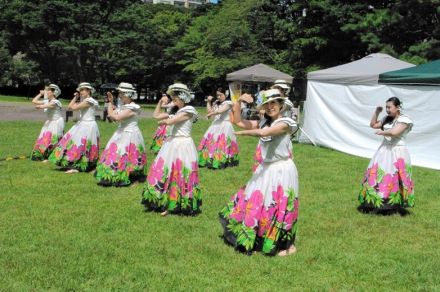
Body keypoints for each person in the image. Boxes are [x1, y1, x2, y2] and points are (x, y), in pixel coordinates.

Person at [219, 89, 299, 256]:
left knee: (278, 204)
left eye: (274, 103)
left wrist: (244, 133)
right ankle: (258, 238)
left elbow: (265, 133)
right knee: (255, 200)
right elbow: (237, 121)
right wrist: (238, 101)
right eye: (267, 104)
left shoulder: (286, 122)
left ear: (281, 104)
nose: (270, 107)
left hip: (282, 169)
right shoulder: (263, 121)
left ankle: (284, 244)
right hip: (266, 168)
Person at [141, 83, 202, 216]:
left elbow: (172, 121)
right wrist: (160, 102)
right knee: (165, 170)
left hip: (182, 144)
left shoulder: (189, 110)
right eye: (172, 97)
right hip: (171, 143)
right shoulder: (175, 110)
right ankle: (163, 200)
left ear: (183, 97)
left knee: (179, 173)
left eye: (175, 96)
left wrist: (166, 120)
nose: (173, 99)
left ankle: (176, 203)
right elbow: (155, 116)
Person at [358, 97, 415, 212]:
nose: (387, 110)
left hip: (398, 152)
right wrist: (377, 112)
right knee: (379, 174)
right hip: (384, 150)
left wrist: (382, 132)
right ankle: (377, 201)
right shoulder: (387, 119)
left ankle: (395, 204)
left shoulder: (405, 120)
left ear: (397, 107)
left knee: (396, 176)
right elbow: (373, 125)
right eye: (386, 107)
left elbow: (394, 132)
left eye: (389, 107)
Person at [95, 82, 147, 186]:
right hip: (121, 132)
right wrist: (110, 102)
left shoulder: (133, 107)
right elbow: (112, 115)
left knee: (126, 155)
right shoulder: (124, 106)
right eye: (119, 93)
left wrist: (112, 113)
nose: (120, 95)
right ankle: (113, 174)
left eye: (121, 93)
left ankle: (130, 176)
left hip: (130, 134)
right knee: (114, 153)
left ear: (128, 94)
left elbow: (117, 117)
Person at [49, 82, 100, 173]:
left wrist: (76, 100)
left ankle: (80, 166)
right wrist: (75, 97)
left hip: (88, 125)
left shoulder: (89, 101)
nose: (81, 92)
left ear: (88, 91)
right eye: (80, 90)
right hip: (82, 124)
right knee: (73, 142)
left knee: (82, 145)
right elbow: (69, 107)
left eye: (83, 90)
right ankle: (75, 164)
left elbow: (73, 108)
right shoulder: (85, 100)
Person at [197, 88, 239, 169]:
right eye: (217, 95)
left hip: (225, 125)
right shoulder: (217, 102)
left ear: (226, 94)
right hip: (216, 124)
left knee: (222, 144)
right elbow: (209, 112)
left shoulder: (228, 103)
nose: (218, 97)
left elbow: (220, 111)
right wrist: (208, 102)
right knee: (211, 141)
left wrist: (211, 114)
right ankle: (207, 160)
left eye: (220, 95)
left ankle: (221, 161)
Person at [30, 84, 64, 161]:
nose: (47, 92)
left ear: (53, 93)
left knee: (53, 140)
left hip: (56, 123)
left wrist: (41, 106)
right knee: (44, 138)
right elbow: (34, 101)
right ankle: (42, 155)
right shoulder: (48, 100)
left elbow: (47, 105)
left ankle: (53, 156)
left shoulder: (56, 102)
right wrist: (40, 94)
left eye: (48, 91)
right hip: (49, 122)